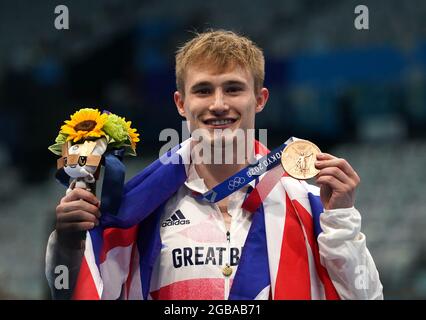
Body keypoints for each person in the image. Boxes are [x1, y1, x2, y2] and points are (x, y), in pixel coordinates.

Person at [45, 29, 383, 300]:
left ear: (260, 99)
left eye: (233, 89)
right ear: (181, 103)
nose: (218, 105)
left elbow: (365, 295)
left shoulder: (307, 204)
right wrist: (68, 242)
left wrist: (341, 218)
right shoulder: (139, 208)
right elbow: (74, 290)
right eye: (203, 91)